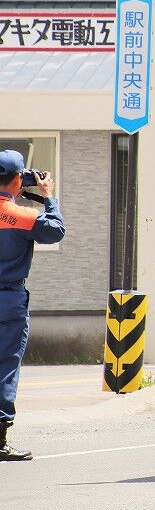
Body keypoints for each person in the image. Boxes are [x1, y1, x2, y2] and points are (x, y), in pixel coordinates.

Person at [0, 150, 65, 461]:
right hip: (8, 300)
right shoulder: (22, 216)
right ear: (17, 180)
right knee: (5, 366)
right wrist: (47, 197)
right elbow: (55, 230)